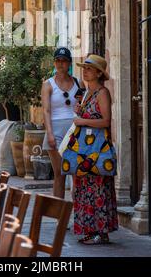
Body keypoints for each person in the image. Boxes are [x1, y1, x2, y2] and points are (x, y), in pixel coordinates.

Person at [73, 54, 118, 244]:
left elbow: (106, 121)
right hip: (84, 148)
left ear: (99, 73)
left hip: (97, 149)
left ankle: (100, 232)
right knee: (84, 188)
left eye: (89, 68)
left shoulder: (102, 93)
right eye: (84, 68)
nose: (85, 71)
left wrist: (82, 120)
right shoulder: (86, 93)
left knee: (98, 188)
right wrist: (79, 111)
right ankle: (90, 230)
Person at [41, 47, 84, 198]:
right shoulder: (48, 84)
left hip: (74, 131)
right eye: (58, 60)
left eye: (64, 61)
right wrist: (50, 134)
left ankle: (78, 214)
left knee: (76, 173)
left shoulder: (79, 83)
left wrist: (80, 108)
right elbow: (46, 110)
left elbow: (83, 105)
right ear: (54, 63)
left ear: (69, 63)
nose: (61, 64)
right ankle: (59, 215)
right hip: (56, 131)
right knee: (60, 174)